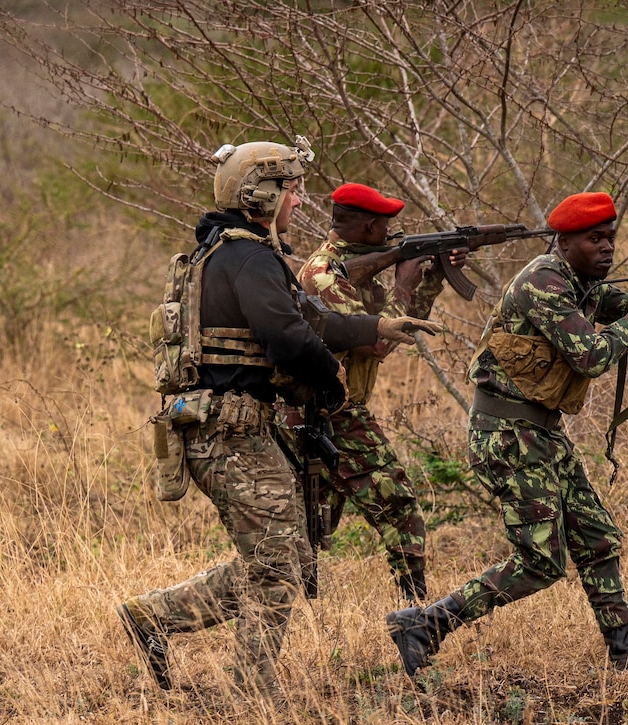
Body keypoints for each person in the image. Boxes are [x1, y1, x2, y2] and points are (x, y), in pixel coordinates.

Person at [384, 191, 628, 677]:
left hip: (540, 433)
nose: (607, 248)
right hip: (508, 435)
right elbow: (593, 356)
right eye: (595, 238)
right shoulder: (545, 283)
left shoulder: (582, 283)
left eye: (611, 238)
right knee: (540, 561)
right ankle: (425, 624)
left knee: (597, 540)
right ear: (564, 241)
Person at [115, 139, 441, 696]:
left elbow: (310, 316)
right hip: (231, 432)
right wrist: (333, 383)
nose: (299, 201)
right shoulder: (249, 257)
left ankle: (154, 617)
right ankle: (250, 694)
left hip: (229, 429)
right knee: (278, 569)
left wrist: (376, 328)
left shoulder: (230, 253)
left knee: (284, 558)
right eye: (292, 190)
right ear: (261, 194)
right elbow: (289, 337)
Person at [295, 182, 466, 602]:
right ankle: (417, 613)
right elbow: (375, 342)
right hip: (331, 412)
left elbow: (403, 327)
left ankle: (290, 604)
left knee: (308, 525)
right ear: (369, 226)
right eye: (385, 225)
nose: (390, 232)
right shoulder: (324, 275)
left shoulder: (354, 268)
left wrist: (433, 279)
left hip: (334, 409)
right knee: (398, 505)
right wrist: (404, 281)